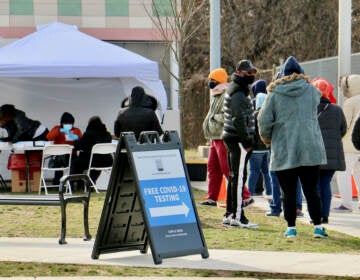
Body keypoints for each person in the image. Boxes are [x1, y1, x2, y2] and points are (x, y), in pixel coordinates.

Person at [258, 56, 327, 238]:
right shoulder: (312, 91)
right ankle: (318, 227)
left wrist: (267, 139)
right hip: (310, 148)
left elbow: (263, 120)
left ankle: (291, 228)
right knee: (312, 190)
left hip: (284, 148)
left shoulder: (274, 94)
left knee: (287, 191)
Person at [221, 59, 258, 228]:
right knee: (239, 177)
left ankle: (230, 214)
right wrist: (247, 141)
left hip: (233, 138)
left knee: (235, 177)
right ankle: (237, 216)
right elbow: (238, 118)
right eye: (249, 73)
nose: (252, 76)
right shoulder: (237, 91)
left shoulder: (238, 89)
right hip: (238, 139)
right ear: (240, 73)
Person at [311, 78, 347, 223]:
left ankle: (317, 216)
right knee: (325, 184)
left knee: (316, 185)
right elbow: (343, 130)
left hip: (314, 153)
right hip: (332, 155)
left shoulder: (310, 108)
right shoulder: (337, 110)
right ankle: (325, 215)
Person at [200, 68, 230, 206]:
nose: (210, 82)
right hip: (214, 137)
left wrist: (213, 118)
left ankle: (244, 195)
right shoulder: (216, 95)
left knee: (226, 169)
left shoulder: (225, 95)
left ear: (219, 81)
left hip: (222, 137)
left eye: (213, 80)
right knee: (212, 168)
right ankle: (212, 198)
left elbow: (228, 115)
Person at [336, 74, 360, 212]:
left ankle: (346, 203)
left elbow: (344, 124)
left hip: (349, 145)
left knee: (343, 173)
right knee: (358, 174)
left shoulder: (350, 103)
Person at [71, 116, 113, 188]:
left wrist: (75, 141)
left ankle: (73, 184)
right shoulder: (107, 134)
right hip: (107, 161)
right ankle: (91, 183)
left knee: (75, 163)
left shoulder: (88, 134)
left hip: (92, 161)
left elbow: (79, 146)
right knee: (94, 163)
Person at [247, 88, 272, 199]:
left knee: (254, 172)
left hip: (256, 150)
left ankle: (250, 193)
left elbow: (250, 132)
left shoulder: (253, 115)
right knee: (267, 173)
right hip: (266, 149)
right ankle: (269, 192)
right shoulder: (268, 115)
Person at [46, 112, 83, 185]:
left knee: (75, 163)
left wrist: (71, 134)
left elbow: (81, 140)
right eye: (66, 123)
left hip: (72, 155)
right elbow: (49, 137)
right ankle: (57, 183)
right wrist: (60, 130)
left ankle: (72, 184)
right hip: (59, 156)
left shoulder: (76, 130)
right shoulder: (57, 129)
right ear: (62, 123)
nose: (68, 125)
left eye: (70, 124)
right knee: (59, 163)